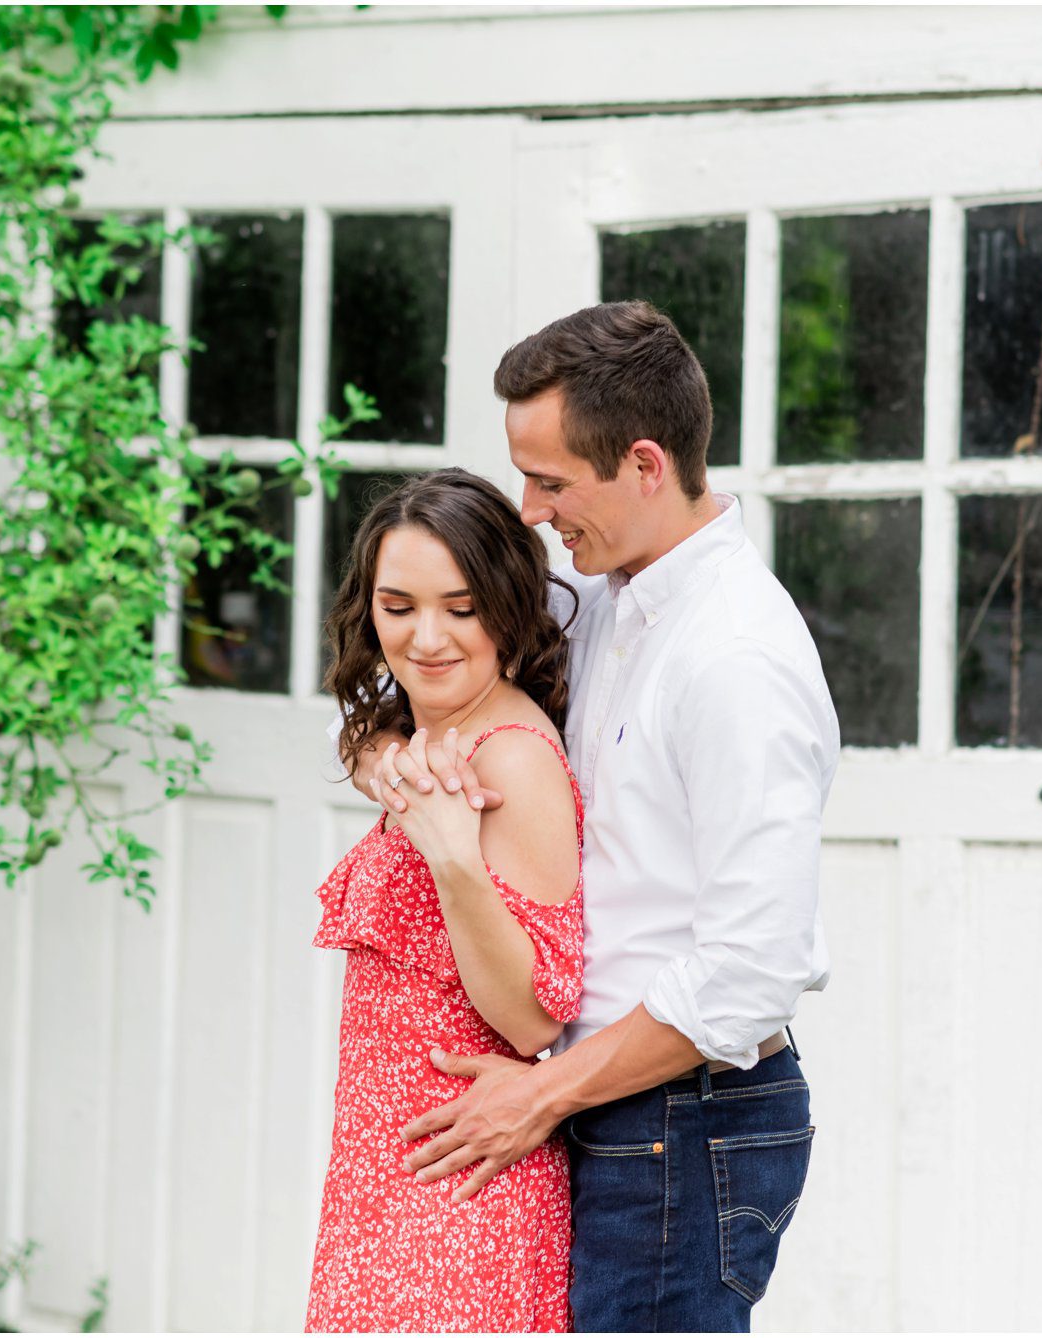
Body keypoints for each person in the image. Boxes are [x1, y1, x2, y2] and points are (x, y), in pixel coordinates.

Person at [361, 301, 839, 1331]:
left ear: (642, 464)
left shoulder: (733, 658)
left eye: (549, 483)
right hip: (604, 1105)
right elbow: (416, 672)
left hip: (683, 1117)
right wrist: (384, 755)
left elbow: (752, 970)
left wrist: (540, 1094)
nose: (529, 512)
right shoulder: (606, 596)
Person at [306, 468, 586, 1332]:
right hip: (387, 1178)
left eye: (461, 609)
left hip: (462, 1195)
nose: (426, 638)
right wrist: (381, 756)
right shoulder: (432, 731)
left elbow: (534, 1018)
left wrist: (455, 860)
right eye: (399, 607)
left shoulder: (509, 762)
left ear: (505, 605)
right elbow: (359, 719)